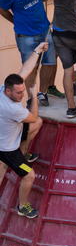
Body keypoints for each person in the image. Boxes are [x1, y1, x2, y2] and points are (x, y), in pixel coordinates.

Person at [0, 42, 49, 219]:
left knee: (38, 124)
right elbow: (32, 116)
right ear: (8, 92)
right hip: (7, 150)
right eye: (19, 93)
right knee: (30, 176)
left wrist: (37, 51)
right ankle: (23, 207)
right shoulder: (12, 108)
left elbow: (26, 70)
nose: (22, 95)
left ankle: (25, 153)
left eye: (23, 91)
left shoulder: (5, 89)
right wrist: (33, 96)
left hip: (11, 132)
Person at [0, 0, 57, 108]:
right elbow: (2, 9)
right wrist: (15, 21)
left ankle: (42, 93)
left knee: (49, 62)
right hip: (25, 36)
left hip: (44, 30)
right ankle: (32, 98)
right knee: (29, 67)